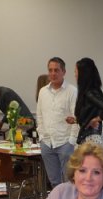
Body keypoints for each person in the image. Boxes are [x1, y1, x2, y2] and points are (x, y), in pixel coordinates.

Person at [36, 57, 78, 188]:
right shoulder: (43, 91)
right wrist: (41, 137)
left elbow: (76, 118)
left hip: (65, 143)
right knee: (54, 183)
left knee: (71, 182)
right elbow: (40, 116)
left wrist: (71, 141)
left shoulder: (72, 91)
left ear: (63, 72)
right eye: (50, 70)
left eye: (56, 70)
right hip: (47, 143)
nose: (53, 73)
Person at [67, 58, 103, 145]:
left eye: (76, 71)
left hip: (92, 140)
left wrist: (96, 119)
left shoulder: (90, 93)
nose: (75, 74)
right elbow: (89, 114)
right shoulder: (87, 93)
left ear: (83, 74)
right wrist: (76, 120)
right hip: (86, 138)